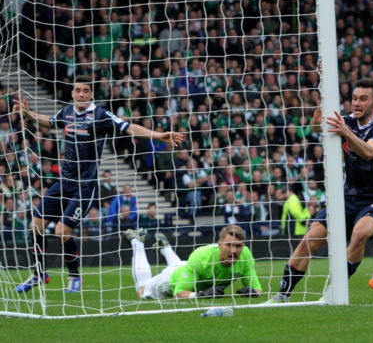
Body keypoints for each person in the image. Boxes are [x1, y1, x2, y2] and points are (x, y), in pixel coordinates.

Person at [13, 75, 184, 293]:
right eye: (77, 90)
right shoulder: (66, 112)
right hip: (63, 181)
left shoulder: (101, 115)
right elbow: (51, 121)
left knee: (61, 232)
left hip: (84, 186)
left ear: (91, 93)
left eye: (85, 90)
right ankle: (39, 274)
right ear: (72, 93)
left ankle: (74, 277)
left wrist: (159, 135)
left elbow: (129, 127)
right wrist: (29, 115)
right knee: (35, 225)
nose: (81, 94)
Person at [266, 78, 373, 303]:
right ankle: (281, 296)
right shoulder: (347, 121)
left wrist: (345, 132)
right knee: (310, 240)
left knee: (359, 234)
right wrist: (317, 121)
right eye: (354, 98)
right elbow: (317, 128)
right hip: (347, 197)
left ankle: (334, 290)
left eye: (363, 99)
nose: (356, 103)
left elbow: (369, 152)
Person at [126, 224, 262, 299]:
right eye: (229, 245)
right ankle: (136, 241)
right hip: (170, 280)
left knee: (183, 268)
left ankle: (165, 247)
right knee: (141, 290)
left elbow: (257, 289)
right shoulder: (201, 256)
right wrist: (201, 295)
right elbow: (179, 293)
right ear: (219, 244)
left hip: (188, 269)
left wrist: (252, 292)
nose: (234, 251)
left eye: (238, 246)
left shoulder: (246, 256)